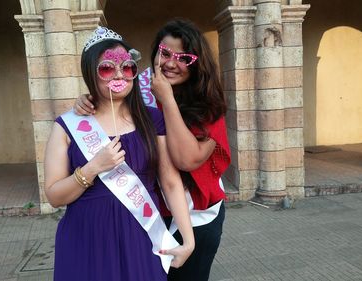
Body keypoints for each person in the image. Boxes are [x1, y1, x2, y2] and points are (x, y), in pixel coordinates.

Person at [75, 19, 231, 281]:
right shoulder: (139, 88)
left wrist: (167, 99)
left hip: (196, 218)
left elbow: (186, 160)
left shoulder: (209, 105)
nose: (171, 63)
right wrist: (87, 100)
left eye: (184, 57)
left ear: (197, 62)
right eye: (166, 53)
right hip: (147, 214)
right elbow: (110, 104)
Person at [44, 26, 194, 281]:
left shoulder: (152, 119)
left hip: (140, 236)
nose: (119, 75)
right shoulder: (67, 126)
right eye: (107, 68)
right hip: (86, 240)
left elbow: (170, 181)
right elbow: (54, 196)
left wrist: (188, 240)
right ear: (91, 73)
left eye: (127, 67)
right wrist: (92, 168)